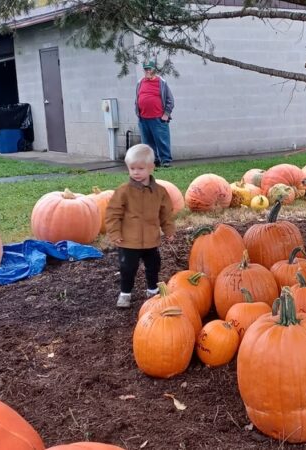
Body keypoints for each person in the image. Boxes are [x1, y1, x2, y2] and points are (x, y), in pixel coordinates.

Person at [105, 143, 176, 308]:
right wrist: (115, 233)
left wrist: (169, 230)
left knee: (153, 266)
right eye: (132, 168)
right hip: (129, 241)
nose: (136, 172)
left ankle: (152, 290)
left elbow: (166, 213)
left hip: (151, 240)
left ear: (151, 167)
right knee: (127, 268)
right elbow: (112, 213)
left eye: (140, 168)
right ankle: (125, 293)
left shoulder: (160, 192)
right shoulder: (124, 192)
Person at [134, 60, 174, 168]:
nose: (147, 71)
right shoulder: (140, 82)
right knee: (147, 143)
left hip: (158, 118)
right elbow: (137, 99)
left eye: (149, 69)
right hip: (143, 119)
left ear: (154, 69)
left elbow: (170, 100)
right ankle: (153, 161)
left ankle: (165, 161)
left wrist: (166, 114)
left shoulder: (161, 82)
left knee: (162, 141)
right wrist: (138, 113)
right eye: (145, 69)